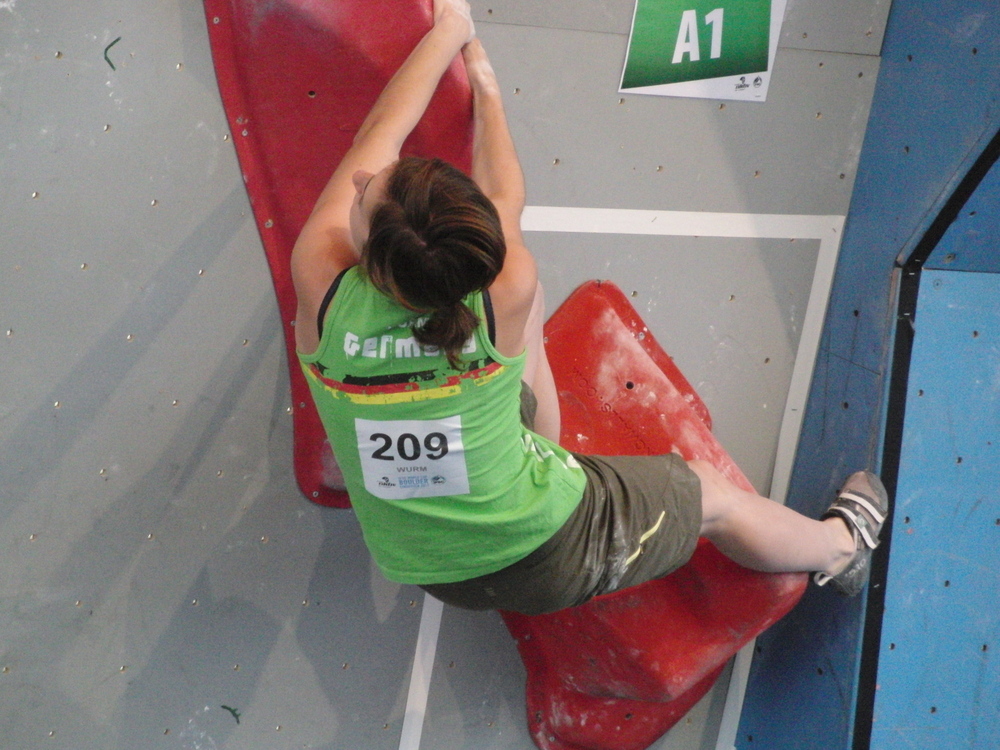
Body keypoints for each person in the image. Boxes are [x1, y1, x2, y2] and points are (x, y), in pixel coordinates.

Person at [291, 0, 889, 614]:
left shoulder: (320, 278)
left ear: (372, 258)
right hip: (549, 554)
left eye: (362, 198)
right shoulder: (505, 287)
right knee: (713, 496)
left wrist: (447, 31)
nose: (362, 181)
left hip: (423, 568)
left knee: (489, 367)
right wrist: (484, 85)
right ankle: (840, 548)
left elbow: (375, 138)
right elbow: (503, 193)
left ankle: (551, 450)